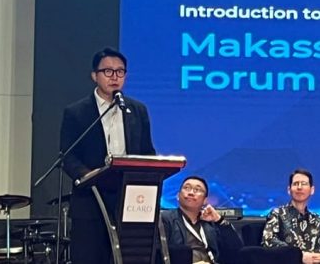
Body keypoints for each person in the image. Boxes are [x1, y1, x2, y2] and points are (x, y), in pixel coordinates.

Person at [59, 47, 156, 264]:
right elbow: (68, 155)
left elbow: (147, 151)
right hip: (91, 198)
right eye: (108, 71)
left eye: (120, 72)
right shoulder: (76, 112)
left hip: (130, 199)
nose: (115, 77)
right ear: (95, 76)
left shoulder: (137, 110)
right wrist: (88, 175)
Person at [261, 169, 320, 263]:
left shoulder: (318, 221)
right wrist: (299, 256)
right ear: (289, 190)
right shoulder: (277, 214)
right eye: (295, 184)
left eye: (304, 184)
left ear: (312, 190)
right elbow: (268, 241)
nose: (299, 187)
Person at [160, 176, 244, 264]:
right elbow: (161, 255)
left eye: (197, 190)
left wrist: (219, 220)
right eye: (187, 188)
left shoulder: (210, 223)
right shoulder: (165, 219)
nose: (191, 193)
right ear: (178, 196)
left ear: (205, 200)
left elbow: (236, 251)